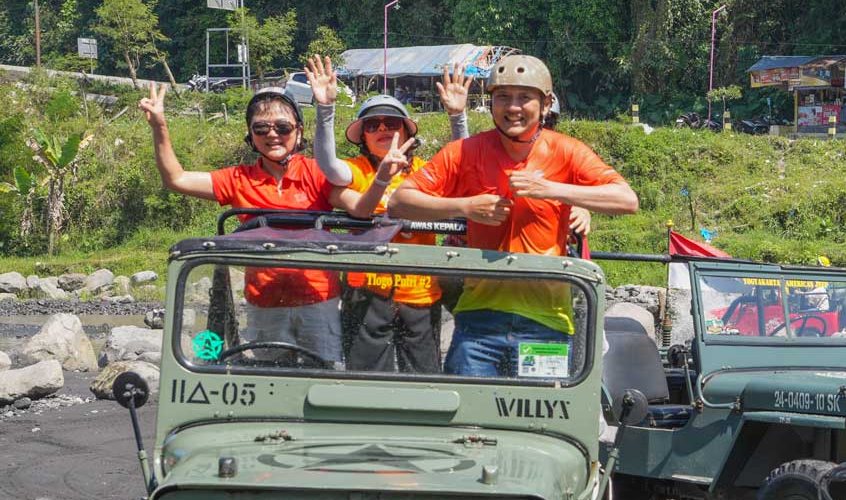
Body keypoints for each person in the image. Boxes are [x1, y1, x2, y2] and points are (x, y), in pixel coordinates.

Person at [388, 54, 638, 376]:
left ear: (545, 105)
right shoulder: (465, 152)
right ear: (491, 103)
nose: (513, 107)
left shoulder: (567, 151)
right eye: (503, 97)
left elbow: (626, 199)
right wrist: (465, 207)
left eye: (524, 98)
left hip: (546, 321)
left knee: (539, 421)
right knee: (468, 418)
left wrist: (550, 189)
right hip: (478, 319)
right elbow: (399, 201)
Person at [138, 82, 349, 365]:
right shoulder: (239, 178)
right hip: (266, 300)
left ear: (298, 133)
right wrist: (159, 127)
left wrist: (327, 108)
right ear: (251, 136)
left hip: (319, 298)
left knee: (324, 375)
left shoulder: (318, 173)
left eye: (282, 128)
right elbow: (176, 179)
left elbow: (362, 202)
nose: (272, 135)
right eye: (261, 129)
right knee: (270, 379)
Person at [306, 55, 480, 373]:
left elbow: (466, 168)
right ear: (363, 137)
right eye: (373, 125)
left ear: (406, 131)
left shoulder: (427, 173)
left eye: (392, 123)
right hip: (367, 289)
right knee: (366, 379)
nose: (383, 129)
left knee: (424, 376)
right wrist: (325, 110)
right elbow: (327, 165)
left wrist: (458, 116)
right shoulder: (355, 172)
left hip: (420, 289)